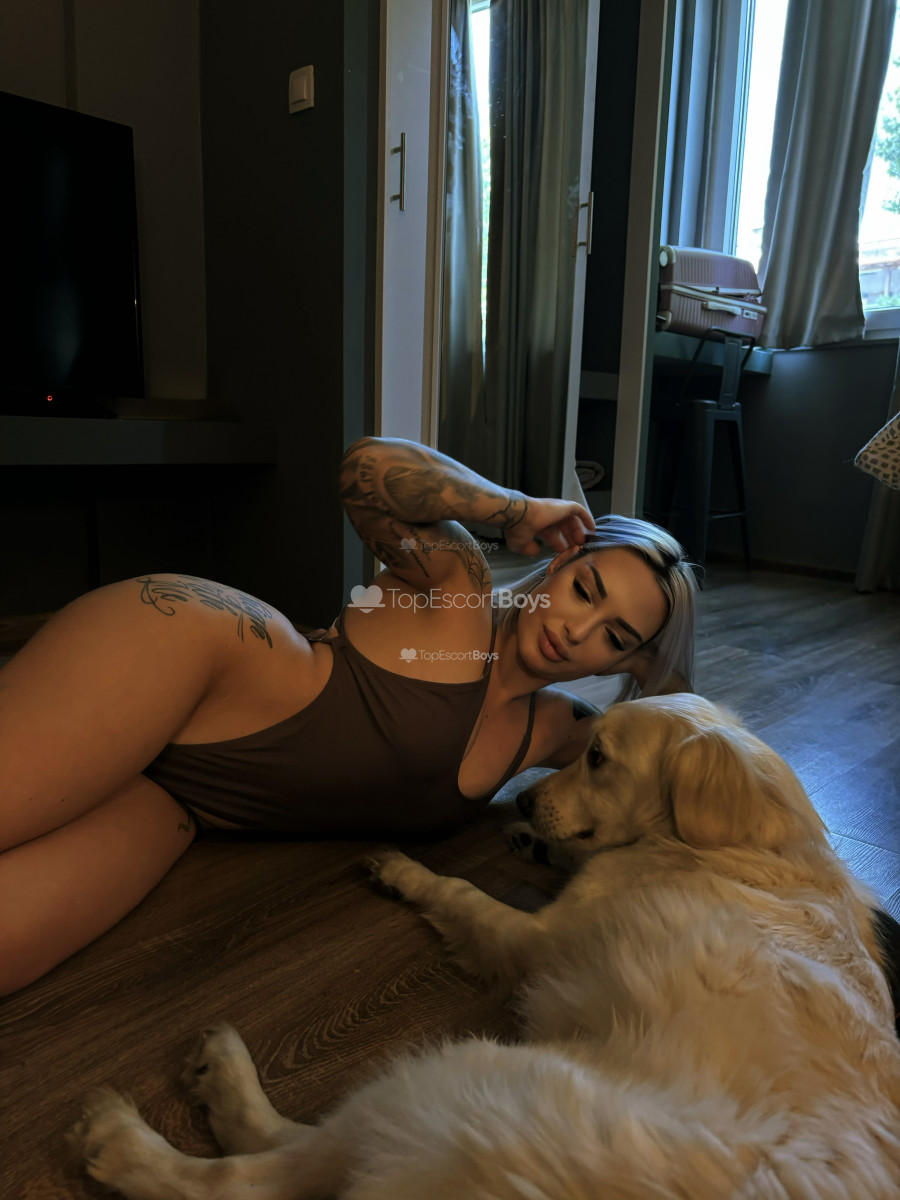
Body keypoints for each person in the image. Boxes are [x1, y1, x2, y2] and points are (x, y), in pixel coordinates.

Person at [0, 435, 726, 996]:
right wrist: (516, 511)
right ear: (560, 564)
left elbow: (677, 752)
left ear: (625, 664)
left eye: (614, 638)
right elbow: (367, 471)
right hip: (188, 651)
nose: (578, 629)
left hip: (190, 803)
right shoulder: (459, 585)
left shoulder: (560, 730)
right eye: (586, 591)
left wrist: (661, 658)